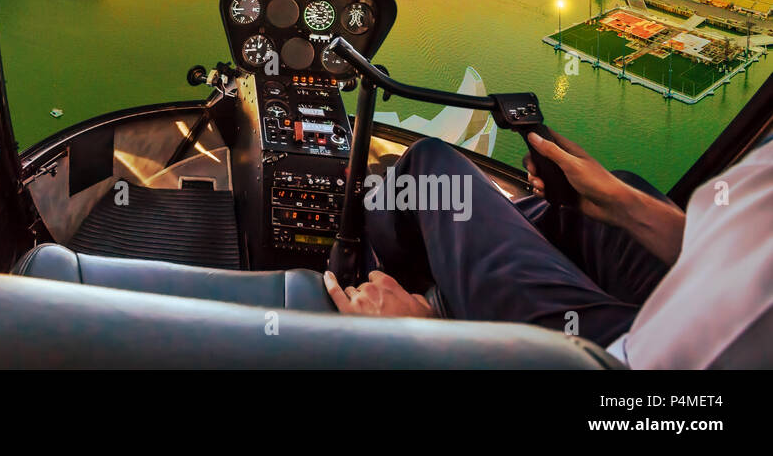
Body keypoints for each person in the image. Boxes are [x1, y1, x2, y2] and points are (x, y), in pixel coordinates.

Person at [322, 130, 773, 368]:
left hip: (619, 363)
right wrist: (621, 203)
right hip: (696, 304)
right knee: (603, 199)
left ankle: (399, 277)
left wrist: (426, 346)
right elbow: (743, 248)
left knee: (433, 170)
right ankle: (462, 268)